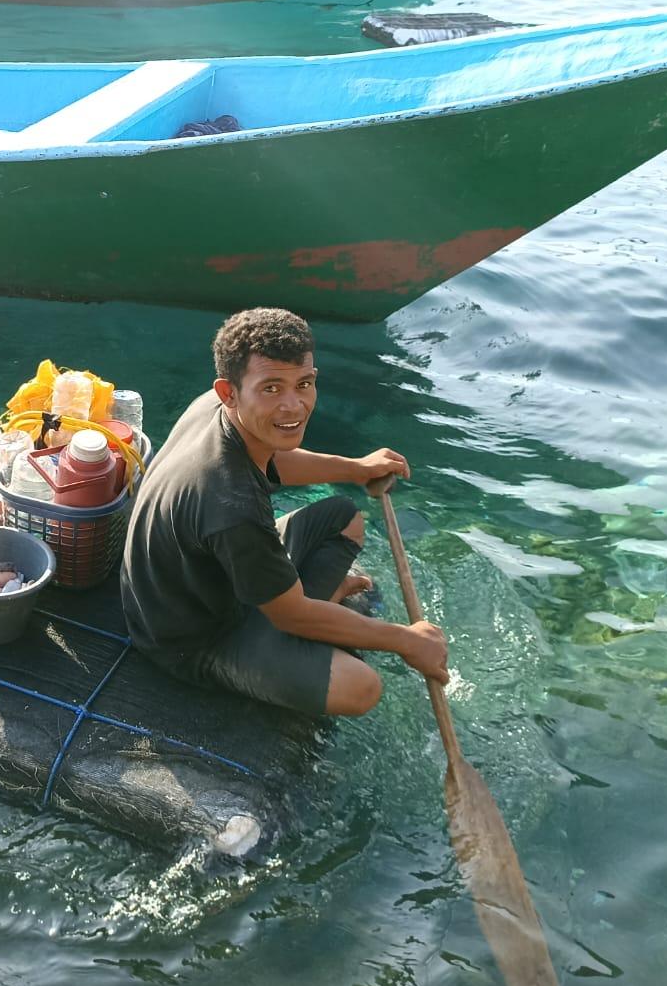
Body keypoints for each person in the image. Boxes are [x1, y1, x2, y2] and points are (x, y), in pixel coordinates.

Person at [121, 307, 449, 717]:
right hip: (191, 639)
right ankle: (315, 615)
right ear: (230, 392)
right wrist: (407, 640)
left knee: (344, 517)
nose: (294, 406)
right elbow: (291, 615)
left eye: (304, 384)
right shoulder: (232, 505)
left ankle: (315, 609)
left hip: (193, 580)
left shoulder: (218, 408)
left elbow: (273, 457)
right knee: (361, 687)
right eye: (272, 389)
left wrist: (356, 468)